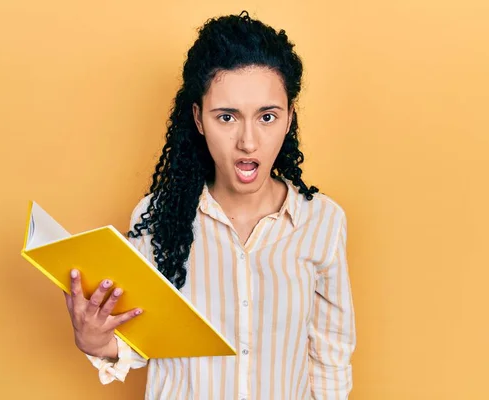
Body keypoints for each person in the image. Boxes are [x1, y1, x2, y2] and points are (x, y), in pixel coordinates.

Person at [63, 10, 356, 399]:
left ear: (289, 120)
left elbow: (330, 358)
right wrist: (96, 341)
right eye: (227, 117)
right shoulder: (160, 217)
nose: (248, 141)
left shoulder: (323, 221)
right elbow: (136, 342)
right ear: (199, 119)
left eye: (267, 116)